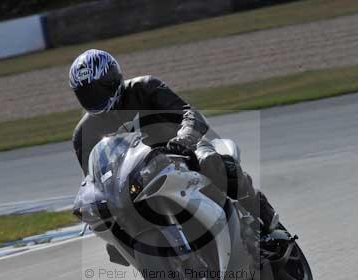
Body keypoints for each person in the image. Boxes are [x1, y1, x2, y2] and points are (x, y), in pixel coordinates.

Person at [69, 49, 275, 233]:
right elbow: (91, 179)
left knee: (212, 161)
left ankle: (263, 215)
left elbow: (189, 113)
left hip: (180, 151)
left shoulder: (144, 87)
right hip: (135, 181)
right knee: (116, 232)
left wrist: (185, 137)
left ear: (112, 79)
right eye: (85, 94)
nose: (93, 98)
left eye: (96, 90)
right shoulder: (83, 133)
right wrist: (87, 202)